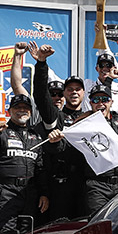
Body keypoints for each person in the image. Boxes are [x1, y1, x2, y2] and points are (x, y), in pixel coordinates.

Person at [29, 42, 89, 222]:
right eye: (69, 89)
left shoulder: (92, 117)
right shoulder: (56, 116)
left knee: (85, 229)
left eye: (78, 89)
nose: (74, 92)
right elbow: (40, 96)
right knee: (59, 231)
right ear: (64, 94)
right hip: (60, 184)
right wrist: (41, 63)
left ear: (84, 93)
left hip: (86, 184)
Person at [49, 83, 118, 213]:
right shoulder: (83, 124)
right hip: (97, 185)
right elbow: (64, 146)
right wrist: (55, 141)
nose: (100, 103)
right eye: (95, 100)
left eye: (104, 99)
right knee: (98, 226)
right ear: (90, 103)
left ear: (111, 101)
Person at [0, 94, 49, 234]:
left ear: (31, 112)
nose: (22, 110)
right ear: (9, 111)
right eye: (17, 107)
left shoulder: (36, 136)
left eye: (26, 108)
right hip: (6, 191)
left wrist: (44, 193)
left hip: (30, 192)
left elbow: (41, 169)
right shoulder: (0, 132)